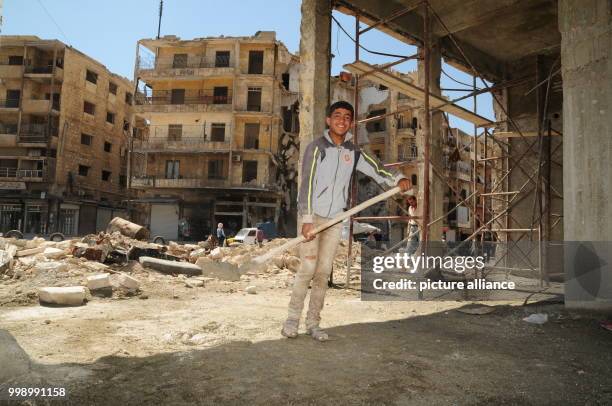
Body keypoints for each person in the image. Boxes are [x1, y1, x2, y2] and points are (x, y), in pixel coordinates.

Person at [281, 100, 411, 341]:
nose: (342, 120)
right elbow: (307, 183)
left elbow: (378, 169)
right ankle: (291, 320)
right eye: (337, 115)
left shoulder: (354, 151)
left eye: (347, 116)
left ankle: (313, 323)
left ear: (351, 123)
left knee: (323, 272)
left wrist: (399, 178)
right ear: (328, 120)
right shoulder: (316, 147)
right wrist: (307, 218)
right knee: (308, 268)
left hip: (336, 218)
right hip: (312, 215)